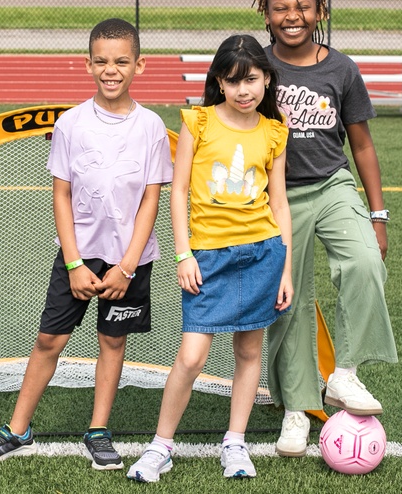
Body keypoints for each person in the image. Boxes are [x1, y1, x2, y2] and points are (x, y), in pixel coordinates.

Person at [0, 18, 173, 471]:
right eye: (101, 61)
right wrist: (76, 262)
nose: (111, 70)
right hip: (79, 256)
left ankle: (98, 430)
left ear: (140, 64)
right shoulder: (71, 123)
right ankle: (17, 429)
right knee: (48, 340)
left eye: (121, 61)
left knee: (112, 342)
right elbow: (60, 195)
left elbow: (150, 202)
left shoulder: (152, 126)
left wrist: (127, 266)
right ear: (87, 64)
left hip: (129, 262)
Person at [126, 34, 293, 483]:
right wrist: (184, 253)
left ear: (267, 78)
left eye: (253, 79)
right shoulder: (197, 122)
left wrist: (286, 270)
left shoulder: (275, 130)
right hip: (208, 257)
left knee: (249, 349)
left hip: (262, 252)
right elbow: (177, 190)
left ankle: (234, 444)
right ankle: (161, 446)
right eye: (234, 80)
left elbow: (279, 205)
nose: (244, 90)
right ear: (219, 81)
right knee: (192, 356)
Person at [252, 0, 397, 458]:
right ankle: (295, 407)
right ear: (265, 14)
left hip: (332, 185)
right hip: (276, 198)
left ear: (320, 11)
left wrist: (377, 215)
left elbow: (361, 146)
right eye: (280, 8)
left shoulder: (342, 68)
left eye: (303, 7)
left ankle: (345, 374)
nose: (292, 15)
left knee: (363, 261)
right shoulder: (257, 68)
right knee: (286, 301)